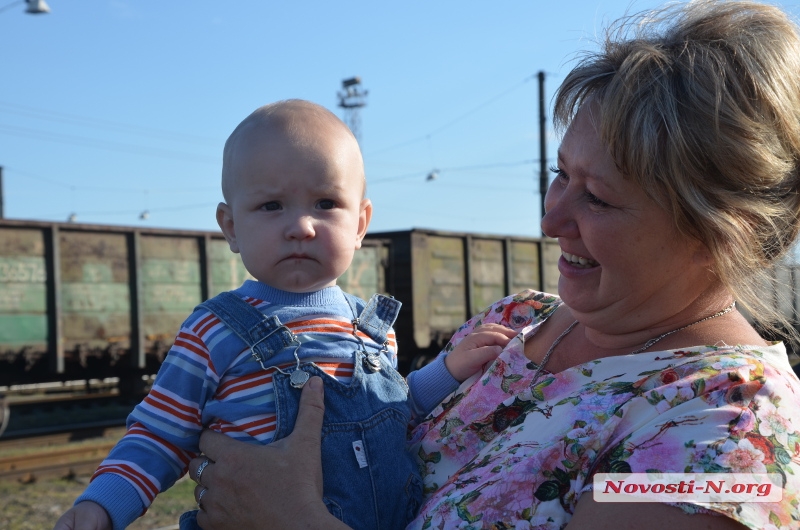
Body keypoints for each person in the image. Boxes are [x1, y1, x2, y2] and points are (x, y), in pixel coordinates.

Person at [182, 2, 800, 529]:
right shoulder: (517, 325)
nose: (550, 219)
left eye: (599, 197)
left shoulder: (723, 432)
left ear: (721, 231)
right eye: (561, 173)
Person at [53, 100, 516, 530]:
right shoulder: (214, 331)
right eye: (271, 205)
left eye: (325, 204)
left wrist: (448, 371)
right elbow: (159, 434)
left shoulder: (374, 332)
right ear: (231, 227)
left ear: (359, 225)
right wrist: (101, 505)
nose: (301, 226)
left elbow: (397, 411)